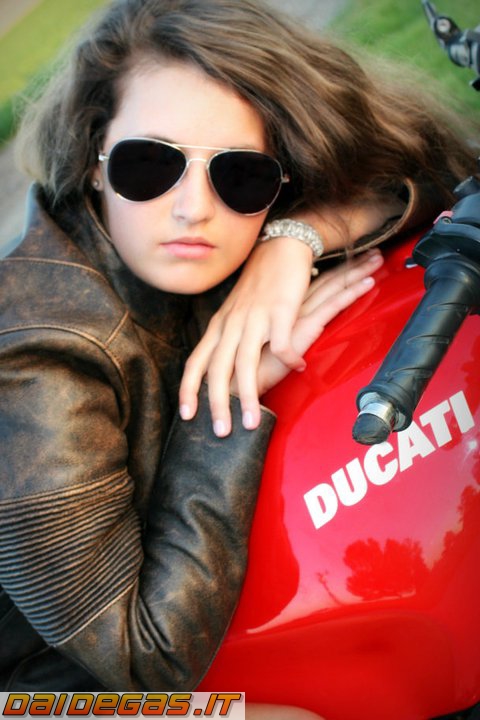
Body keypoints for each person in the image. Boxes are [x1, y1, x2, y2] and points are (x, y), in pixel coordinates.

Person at [0, 0, 477, 717]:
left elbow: (443, 179)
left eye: (241, 175)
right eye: (150, 164)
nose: (194, 208)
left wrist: (294, 240)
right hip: (48, 687)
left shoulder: (231, 226)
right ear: (94, 162)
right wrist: (224, 403)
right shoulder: (35, 355)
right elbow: (146, 658)